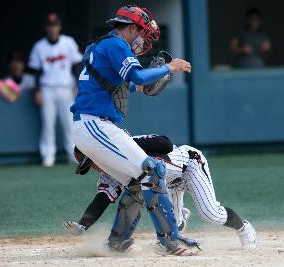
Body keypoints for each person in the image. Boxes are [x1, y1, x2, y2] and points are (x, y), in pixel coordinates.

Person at [70, 5, 195, 256]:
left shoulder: (101, 45)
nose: (144, 40)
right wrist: (169, 68)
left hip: (93, 124)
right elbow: (138, 77)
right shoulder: (116, 45)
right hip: (94, 123)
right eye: (142, 32)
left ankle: (118, 242)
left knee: (136, 180)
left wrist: (151, 79)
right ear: (131, 28)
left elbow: (132, 85)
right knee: (154, 169)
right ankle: (170, 241)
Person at [64, 135, 257, 250]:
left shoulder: (125, 146)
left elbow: (166, 143)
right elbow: (103, 198)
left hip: (189, 166)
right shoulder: (109, 173)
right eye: (89, 166)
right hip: (168, 185)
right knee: (173, 227)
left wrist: (134, 147)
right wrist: (83, 224)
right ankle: (180, 216)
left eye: (91, 162)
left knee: (210, 213)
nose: (94, 168)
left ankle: (244, 228)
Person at [28, 13, 82, 166]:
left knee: (69, 123)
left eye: (55, 25)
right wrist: (36, 91)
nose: (53, 28)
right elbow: (35, 72)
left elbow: (77, 65)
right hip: (47, 89)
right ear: (46, 28)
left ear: (59, 27)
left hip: (66, 88)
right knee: (48, 123)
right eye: (50, 26)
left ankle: (73, 155)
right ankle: (48, 156)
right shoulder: (39, 46)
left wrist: (78, 85)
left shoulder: (68, 42)